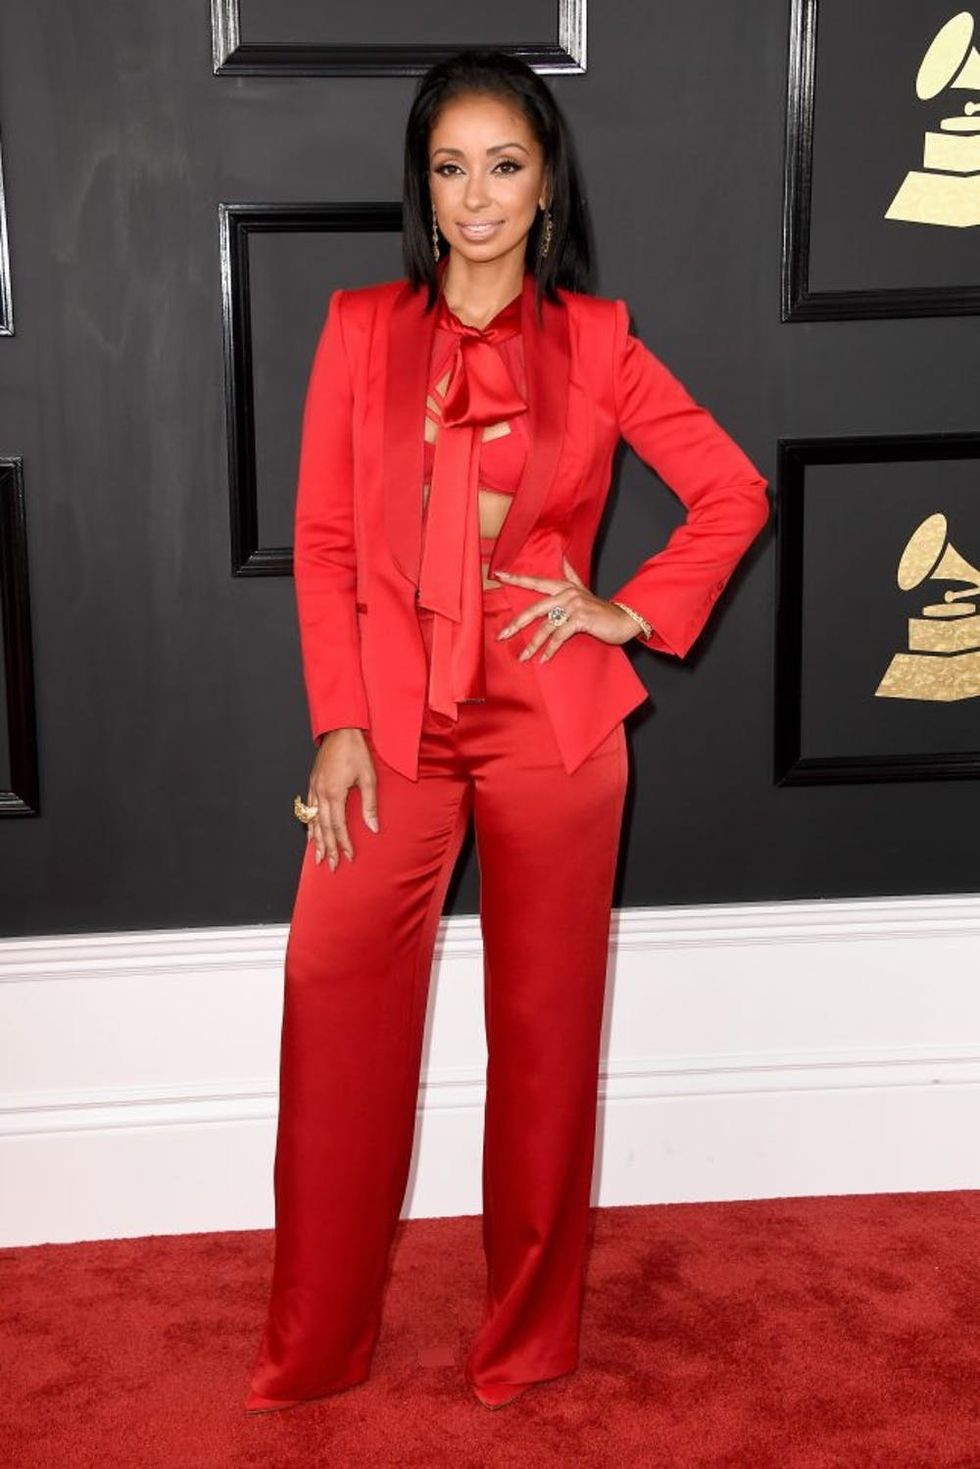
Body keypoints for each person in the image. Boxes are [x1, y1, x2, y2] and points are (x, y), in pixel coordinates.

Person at [245, 47, 769, 1415]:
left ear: (546, 188)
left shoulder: (593, 345)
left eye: (505, 166)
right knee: (332, 1000)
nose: (476, 197)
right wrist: (337, 721)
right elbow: (321, 542)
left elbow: (729, 490)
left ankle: (528, 1338)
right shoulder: (361, 329)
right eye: (449, 167)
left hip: (551, 725)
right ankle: (316, 1342)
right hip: (390, 725)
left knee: (544, 1038)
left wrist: (625, 610)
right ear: (423, 189)